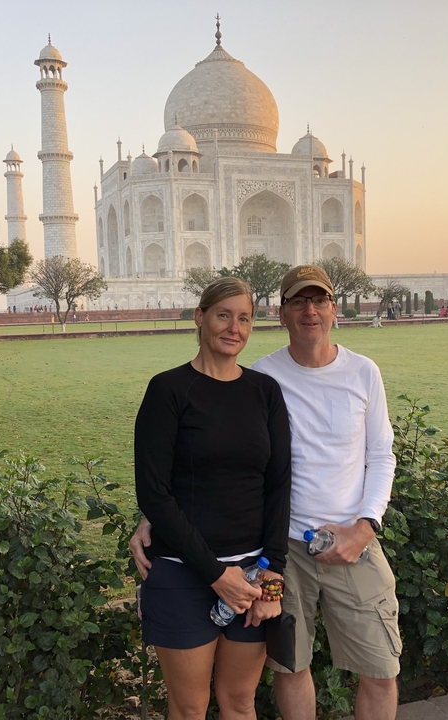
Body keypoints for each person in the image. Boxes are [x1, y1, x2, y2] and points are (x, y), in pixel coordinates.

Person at [131, 265, 400, 720]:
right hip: (249, 556)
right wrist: (155, 517)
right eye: (223, 315)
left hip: (303, 553)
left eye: (242, 318)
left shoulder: (332, 377)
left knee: (371, 672)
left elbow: (363, 460)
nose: (310, 311)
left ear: (334, 309)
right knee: (268, 677)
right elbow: (176, 478)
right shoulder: (246, 379)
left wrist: (363, 527)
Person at [134, 276, 291, 720]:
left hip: (252, 575)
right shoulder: (168, 390)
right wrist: (216, 575)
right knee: (189, 707)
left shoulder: (264, 392)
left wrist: (272, 580)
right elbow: (154, 494)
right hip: (182, 574)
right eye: (224, 315)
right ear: (200, 317)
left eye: (245, 318)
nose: (234, 328)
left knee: (240, 702)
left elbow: (279, 485)